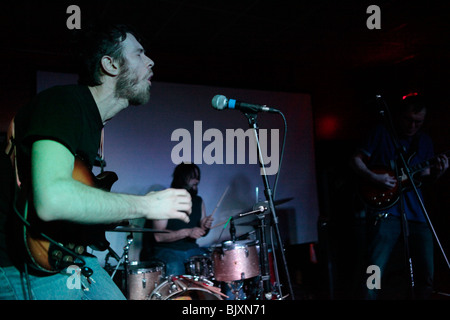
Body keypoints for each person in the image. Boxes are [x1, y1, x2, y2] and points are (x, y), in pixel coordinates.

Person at [0, 23, 192, 300]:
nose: (150, 61)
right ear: (110, 64)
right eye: (139, 54)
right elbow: (52, 199)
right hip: (21, 266)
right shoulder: (63, 104)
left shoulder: (90, 121)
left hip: (67, 257)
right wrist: (147, 204)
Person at [350, 93, 448, 299]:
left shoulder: (424, 141)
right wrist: (374, 178)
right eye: (408, 120)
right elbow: (356, 160)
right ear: (399, 116)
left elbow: (425, 176)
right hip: (386, 211)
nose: (412, 126)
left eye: (418, 122)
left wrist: (438, 171)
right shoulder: (382, 132)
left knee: (426, 271)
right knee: (374, 267)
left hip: (417, 213)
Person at [141, 163, 213, 276]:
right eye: (193, 177)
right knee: (175, 266)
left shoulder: (199, 201)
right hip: (167, 250)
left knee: (210, 263)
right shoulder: (165, 199)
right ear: (182, 178)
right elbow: (159, 236)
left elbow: (201, 231)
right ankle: (177, 294)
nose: (197, 180)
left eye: (198, 177)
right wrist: (188, 232)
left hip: (191, 249)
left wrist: (204, 227)